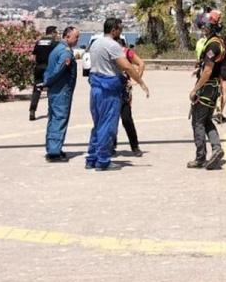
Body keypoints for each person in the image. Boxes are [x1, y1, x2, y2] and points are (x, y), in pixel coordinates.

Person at [85, 17, 149, 171]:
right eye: (120, 29)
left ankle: (92, 158)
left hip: (95, 88)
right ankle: (103, 160)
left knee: (98, 124)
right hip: (109, 89)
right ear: (113, 30)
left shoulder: (95, 44)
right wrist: (140, 82)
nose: (121, 32)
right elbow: (126, 66)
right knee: (108, 126)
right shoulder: (112, 45)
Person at [188, 15, 226, 170]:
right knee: (206, 120)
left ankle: (200, 158)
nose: (202, 29)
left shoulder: (212, 46)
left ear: (209, 27)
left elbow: (208, 71)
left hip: (207, 88)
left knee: (197, 122)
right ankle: (217, 148)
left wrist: (195, 89)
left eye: (203, 27)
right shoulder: (219, 42)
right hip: (213, 87)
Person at [42, 26, 81, 161]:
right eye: (76, 37)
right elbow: (57, 71)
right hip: (61, 91)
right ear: (67, 36)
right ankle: (54, 152)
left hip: (55, 91)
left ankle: (52, 147)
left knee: (53, 119)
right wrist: (47, 82)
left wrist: (47, 83)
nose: (77, 40)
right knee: (59, 119)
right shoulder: (65, 53)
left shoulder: (57, 49)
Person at [112, 37, 144, 156]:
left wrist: (136, 80)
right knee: (111, 118)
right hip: (111, 88)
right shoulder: (107, 51)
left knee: (126, 118)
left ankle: (135, 146)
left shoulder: (126, 52)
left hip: (124, 90)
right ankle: (111, 145)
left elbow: (141, 64)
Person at [29, 26, 58, 121]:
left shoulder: (38, 42)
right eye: (56, 33)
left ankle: (32, 111)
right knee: (52, 90)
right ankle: (51, 111)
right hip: (49, 68)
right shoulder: (54, 43)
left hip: (38, 67)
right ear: (53, 33)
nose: (56, 35)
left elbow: (32, 57)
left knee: (36, 89)